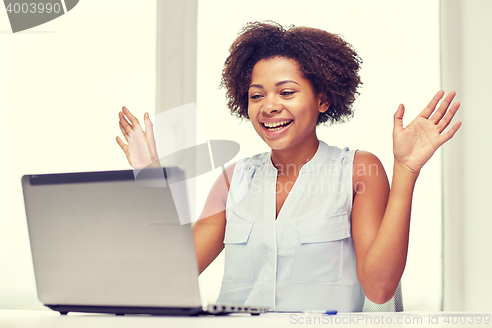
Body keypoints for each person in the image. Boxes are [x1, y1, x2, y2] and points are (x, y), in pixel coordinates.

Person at [116, 21, 461, 312]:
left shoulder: (357, 171)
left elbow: (380, 288)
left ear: (322, 99)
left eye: (286, 92)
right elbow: (172, 272)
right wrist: (152, 184)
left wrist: (406, 169)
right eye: (256, 95)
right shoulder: (233, 178)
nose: (269, 106)